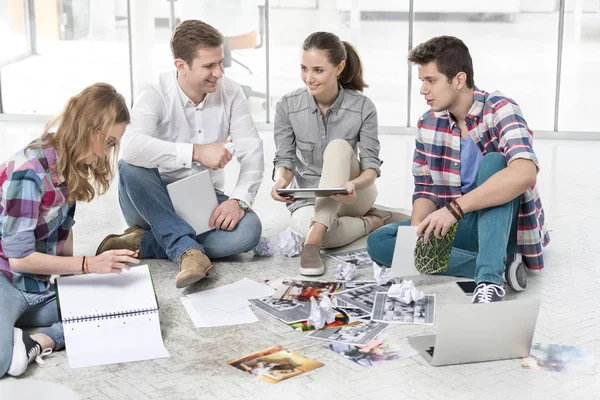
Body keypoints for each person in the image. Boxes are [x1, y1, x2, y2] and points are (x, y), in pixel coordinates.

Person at [367, 36, 550, 303]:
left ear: (458, 79)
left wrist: (455, 209)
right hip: (460, 224)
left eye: (431, 80)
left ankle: (490, 279)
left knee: (495, 163)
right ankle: (501, 264)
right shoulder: (428, 122)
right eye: (422, 81)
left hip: (501, 225)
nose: (423, 90)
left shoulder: (500, 109)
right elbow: (426, 188)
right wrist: (417, 237)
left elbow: (525, 172)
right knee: (380, 242)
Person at [96, 20, 264, 288]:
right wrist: (196, 152)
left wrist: (238, 201)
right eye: (209, 66)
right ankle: (187, 250)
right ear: (181, 66)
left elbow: (252, 151)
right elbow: (131, 146)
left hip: (201, 200)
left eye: (220, 63)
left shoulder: (231, 92)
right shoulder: (154, 92)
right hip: (151, 198)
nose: (218, 73)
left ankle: (144, 241)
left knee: (248, 232)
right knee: (131, 165)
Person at [0, 83, 138, 378]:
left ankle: (38, 340)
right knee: (0, 360)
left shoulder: (69, 167)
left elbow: (64, 231)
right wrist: (89, 264)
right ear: (90, 129)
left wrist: (75, 285)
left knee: (127, 306)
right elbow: (20, 260)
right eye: (110, 141)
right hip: (6, 282)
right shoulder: (28, 173)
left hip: (37, 289)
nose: (108, 152)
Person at [272, 31, 390, 277]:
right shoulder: (287, 106)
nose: (308, 78)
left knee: (337, 146)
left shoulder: (362, 107)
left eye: (318, 70)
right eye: (304, 68)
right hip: (309, 199)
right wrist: (281, 181)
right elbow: (285, 159)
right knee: (325, 232)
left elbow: (370, 168)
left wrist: (353, 185)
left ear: (339, 68)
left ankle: (312, 243)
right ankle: (373, 221)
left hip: (354, 195)